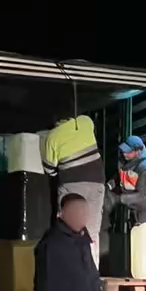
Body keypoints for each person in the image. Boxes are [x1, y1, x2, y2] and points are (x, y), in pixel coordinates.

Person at [43, 114, 107, 271]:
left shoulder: (52, 136)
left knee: (69, 229)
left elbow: (49, 169)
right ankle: (92, 273)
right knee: (91, 230)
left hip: (72, 185)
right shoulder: (86, 121)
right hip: (96, 181)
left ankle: (69, 271)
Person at [112, 135, 146, 224]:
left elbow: (143, 197)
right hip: (134, 209)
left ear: (138, 151)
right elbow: (120, 178)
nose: (124, 153)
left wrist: (119, 198)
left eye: (128, 151)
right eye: (124, 150)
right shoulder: (125, 163)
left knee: (145, 235)